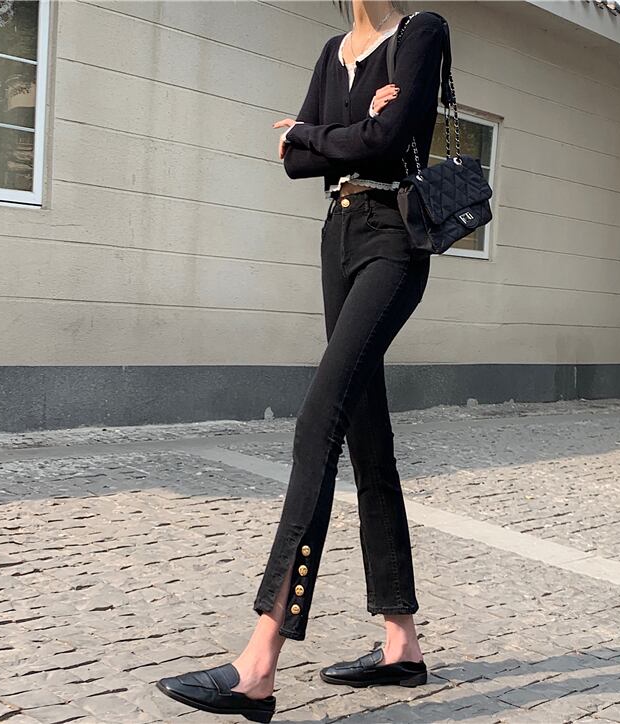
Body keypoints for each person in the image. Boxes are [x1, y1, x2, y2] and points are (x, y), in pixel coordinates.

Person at [157, 2, 445, 720]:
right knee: (366, 436)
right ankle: (401, 643)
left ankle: (259, 663)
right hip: (337, 236)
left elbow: (386, 139)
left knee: (318, 422)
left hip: (393, 239)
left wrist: (312, 132)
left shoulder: (422, 31)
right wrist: (337, 136)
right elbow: (297, 163)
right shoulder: (331, 51)